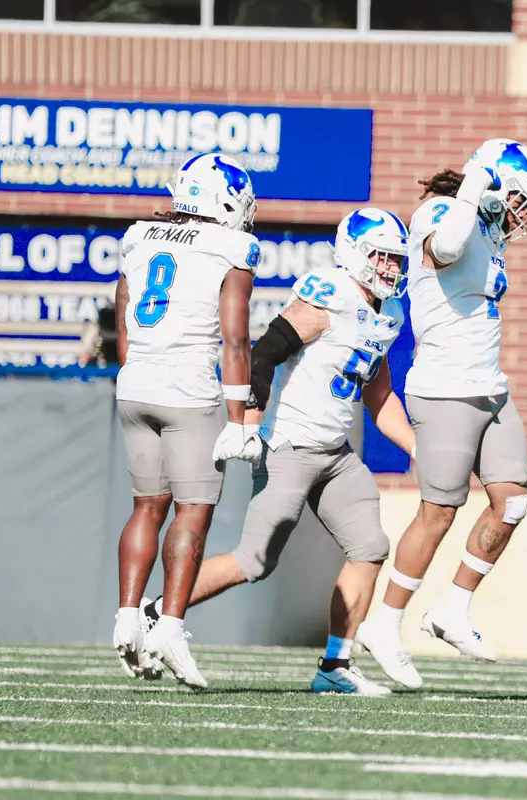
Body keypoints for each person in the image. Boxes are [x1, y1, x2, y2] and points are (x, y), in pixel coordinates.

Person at [142, 208, 415, 695]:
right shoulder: (329, 295)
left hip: (335, 452)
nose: (392, 268)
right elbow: (265, 350)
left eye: (397, 259)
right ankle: (157, 614)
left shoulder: (389, 312)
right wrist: (247, 419)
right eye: (383, 257)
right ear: (355, 255)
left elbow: (378, 394)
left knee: (370, 547)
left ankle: (335, 666)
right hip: (289, 443)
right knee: (254, 561)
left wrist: (421, 448)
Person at [357, 139, 527, 690]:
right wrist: (473, 183)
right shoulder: (444, 211)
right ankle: (384, 624)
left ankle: (453, 608)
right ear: (492, 185)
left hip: (490, 388)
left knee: (513, 501)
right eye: (519, 203)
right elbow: (441, 250)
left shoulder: (485, 228)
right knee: (438, 512)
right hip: (444, 391)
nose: (521, 219)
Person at [113, 153, 261, 688]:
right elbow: (236, 338)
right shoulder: (232, 248)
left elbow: (124, 310)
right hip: (188, 388)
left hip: (135, 386)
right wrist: (240, 418)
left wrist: (137, 369)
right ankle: (169, 626)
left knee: (145, 507)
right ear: (223, 202)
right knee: (193, 513)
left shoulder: (140, 236)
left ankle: (127, 616)